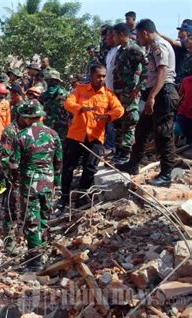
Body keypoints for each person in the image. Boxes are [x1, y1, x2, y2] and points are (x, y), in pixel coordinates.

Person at [117, 19, 181, 187]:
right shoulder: (153, 46)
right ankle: (133, 164)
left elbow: (163, 71)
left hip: (164, 93)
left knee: (163, 134)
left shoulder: (159, 46)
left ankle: (167, 174)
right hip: (157, 92)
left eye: (138, 35)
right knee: (142, 130)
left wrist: (152, 96)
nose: (137, 39)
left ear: (145, 32)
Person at [58, 64, 124, 210]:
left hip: (95, 137)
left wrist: (108, 116)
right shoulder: (80, 90)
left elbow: (119, 109)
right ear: (92, 76)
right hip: (76, 135)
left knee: (90, 168)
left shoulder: (108, 94)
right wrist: (80, 108)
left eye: (104, 76)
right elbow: (68, 103)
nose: (101, 79)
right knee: (68, 167)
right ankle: (63, 197)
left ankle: (81, 197)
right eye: (98, 76)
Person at [8, 100, 62, 271]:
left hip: (29, 184)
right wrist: (57, 183)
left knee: (32, 221)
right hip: (48, 183)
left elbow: (14, 164)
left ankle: (35, 259)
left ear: (26, 117)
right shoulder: (53, 134)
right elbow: (59, 161)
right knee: (45, 217)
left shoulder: (21, 136)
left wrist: (14, 179)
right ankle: (44, 251)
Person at [111, 23, 148, 164]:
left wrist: (139, 87)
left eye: (114, 34)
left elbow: (147, 66)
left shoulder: (134, 48)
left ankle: (126, 153)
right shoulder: (121, 50)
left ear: (121, 34)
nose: (113, 38)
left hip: (130, 92)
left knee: (129, 121)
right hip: (119, 92)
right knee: (119, 122)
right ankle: (119, 150)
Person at [0, 98, 28, 254]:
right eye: (26, 116)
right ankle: (9, 244)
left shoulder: (29, 130)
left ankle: (22, 237)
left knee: (24, 208)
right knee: (10, 210)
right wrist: (11, 176)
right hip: (10, 177)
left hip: (25, 177)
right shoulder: (11, 131)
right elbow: (4, 157)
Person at [40, 70, 70, 143]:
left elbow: (71, 113)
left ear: (58, 82)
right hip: (46, 127)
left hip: (61, 129)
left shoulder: (66, 95)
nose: (51, 83)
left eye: (54, 81)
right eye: (49, 81)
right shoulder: (43, 95)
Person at [176, 74, 192, 146]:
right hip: (183, 111)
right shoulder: (186, 80)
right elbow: (180, 94)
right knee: (176, 129)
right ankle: (169, 151)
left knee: (190, 142)